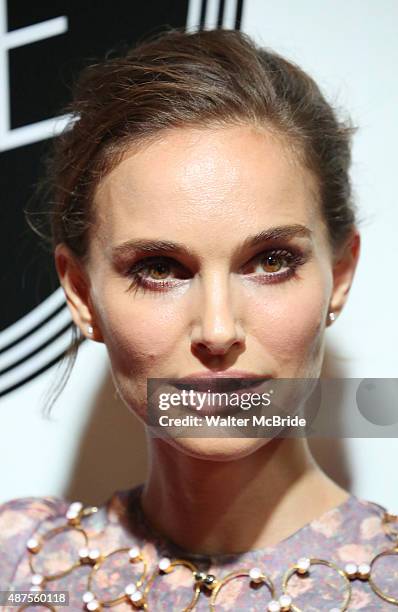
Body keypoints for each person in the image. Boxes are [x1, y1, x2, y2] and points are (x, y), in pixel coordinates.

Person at [0, 28, 396, 611]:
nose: (216, 330)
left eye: (271, 261)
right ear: (82, 294)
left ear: (338, 276)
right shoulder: (23, 568)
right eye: (159, 268)